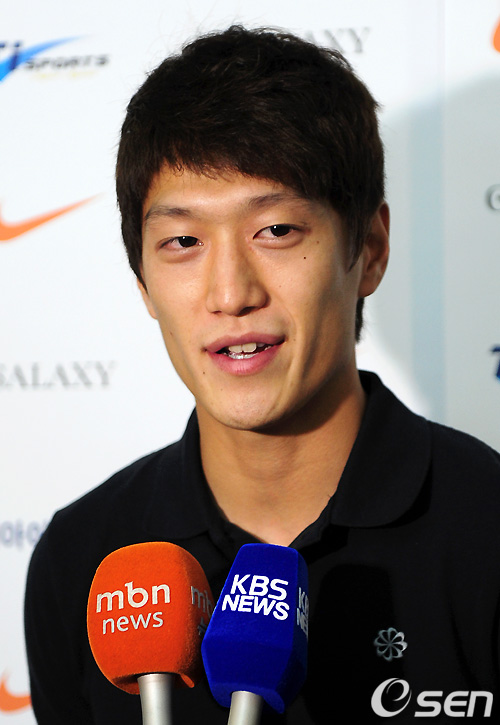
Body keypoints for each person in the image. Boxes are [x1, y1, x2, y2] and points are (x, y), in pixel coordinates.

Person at [25, 25, 500, 723]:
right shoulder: (85, 558)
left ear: (369, 249)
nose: (230, 293)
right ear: (143, 281)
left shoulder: (487, 527)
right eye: (183, 240)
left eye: (275, 230)